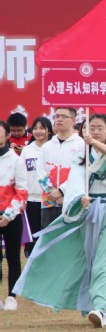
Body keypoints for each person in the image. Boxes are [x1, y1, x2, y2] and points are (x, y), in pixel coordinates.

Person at [14, 114, 106, 327]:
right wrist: (78, 197)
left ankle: (101, 309)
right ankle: (96, 304)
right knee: (87, 260)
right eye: (91, 128)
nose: (95, 132)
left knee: (105, 261)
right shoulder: (81, 157)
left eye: (100, 128)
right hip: (87, 212)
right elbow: (74, 182)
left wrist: (94, 144)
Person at [37, 107, 84, 228]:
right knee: (48, 236)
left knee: (72, 236)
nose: (59, 119)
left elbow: (81, 172)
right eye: (57, 116)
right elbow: (40, 171)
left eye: (64, 116)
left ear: (74, 121)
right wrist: (52, 192)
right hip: (49, 201)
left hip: (73, 201)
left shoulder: (81, 144)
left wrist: (62, 191)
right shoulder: (46, 146)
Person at [0, 120, 28, 311]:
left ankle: (12, 296)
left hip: (11, 216)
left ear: (7, 135)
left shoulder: (16, 160)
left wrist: (8, 215)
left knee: (13, 256)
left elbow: (22, 190)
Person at [19, 117, 53, 258]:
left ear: (49, 131)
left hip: (51, 200)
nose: (38, 131)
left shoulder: (53, 148)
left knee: (48, 237)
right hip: (31, 199)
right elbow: (21, 175)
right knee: (32, 236)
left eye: (42, 128)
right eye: (35, 128)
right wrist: (22, 197)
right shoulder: (27, 150)